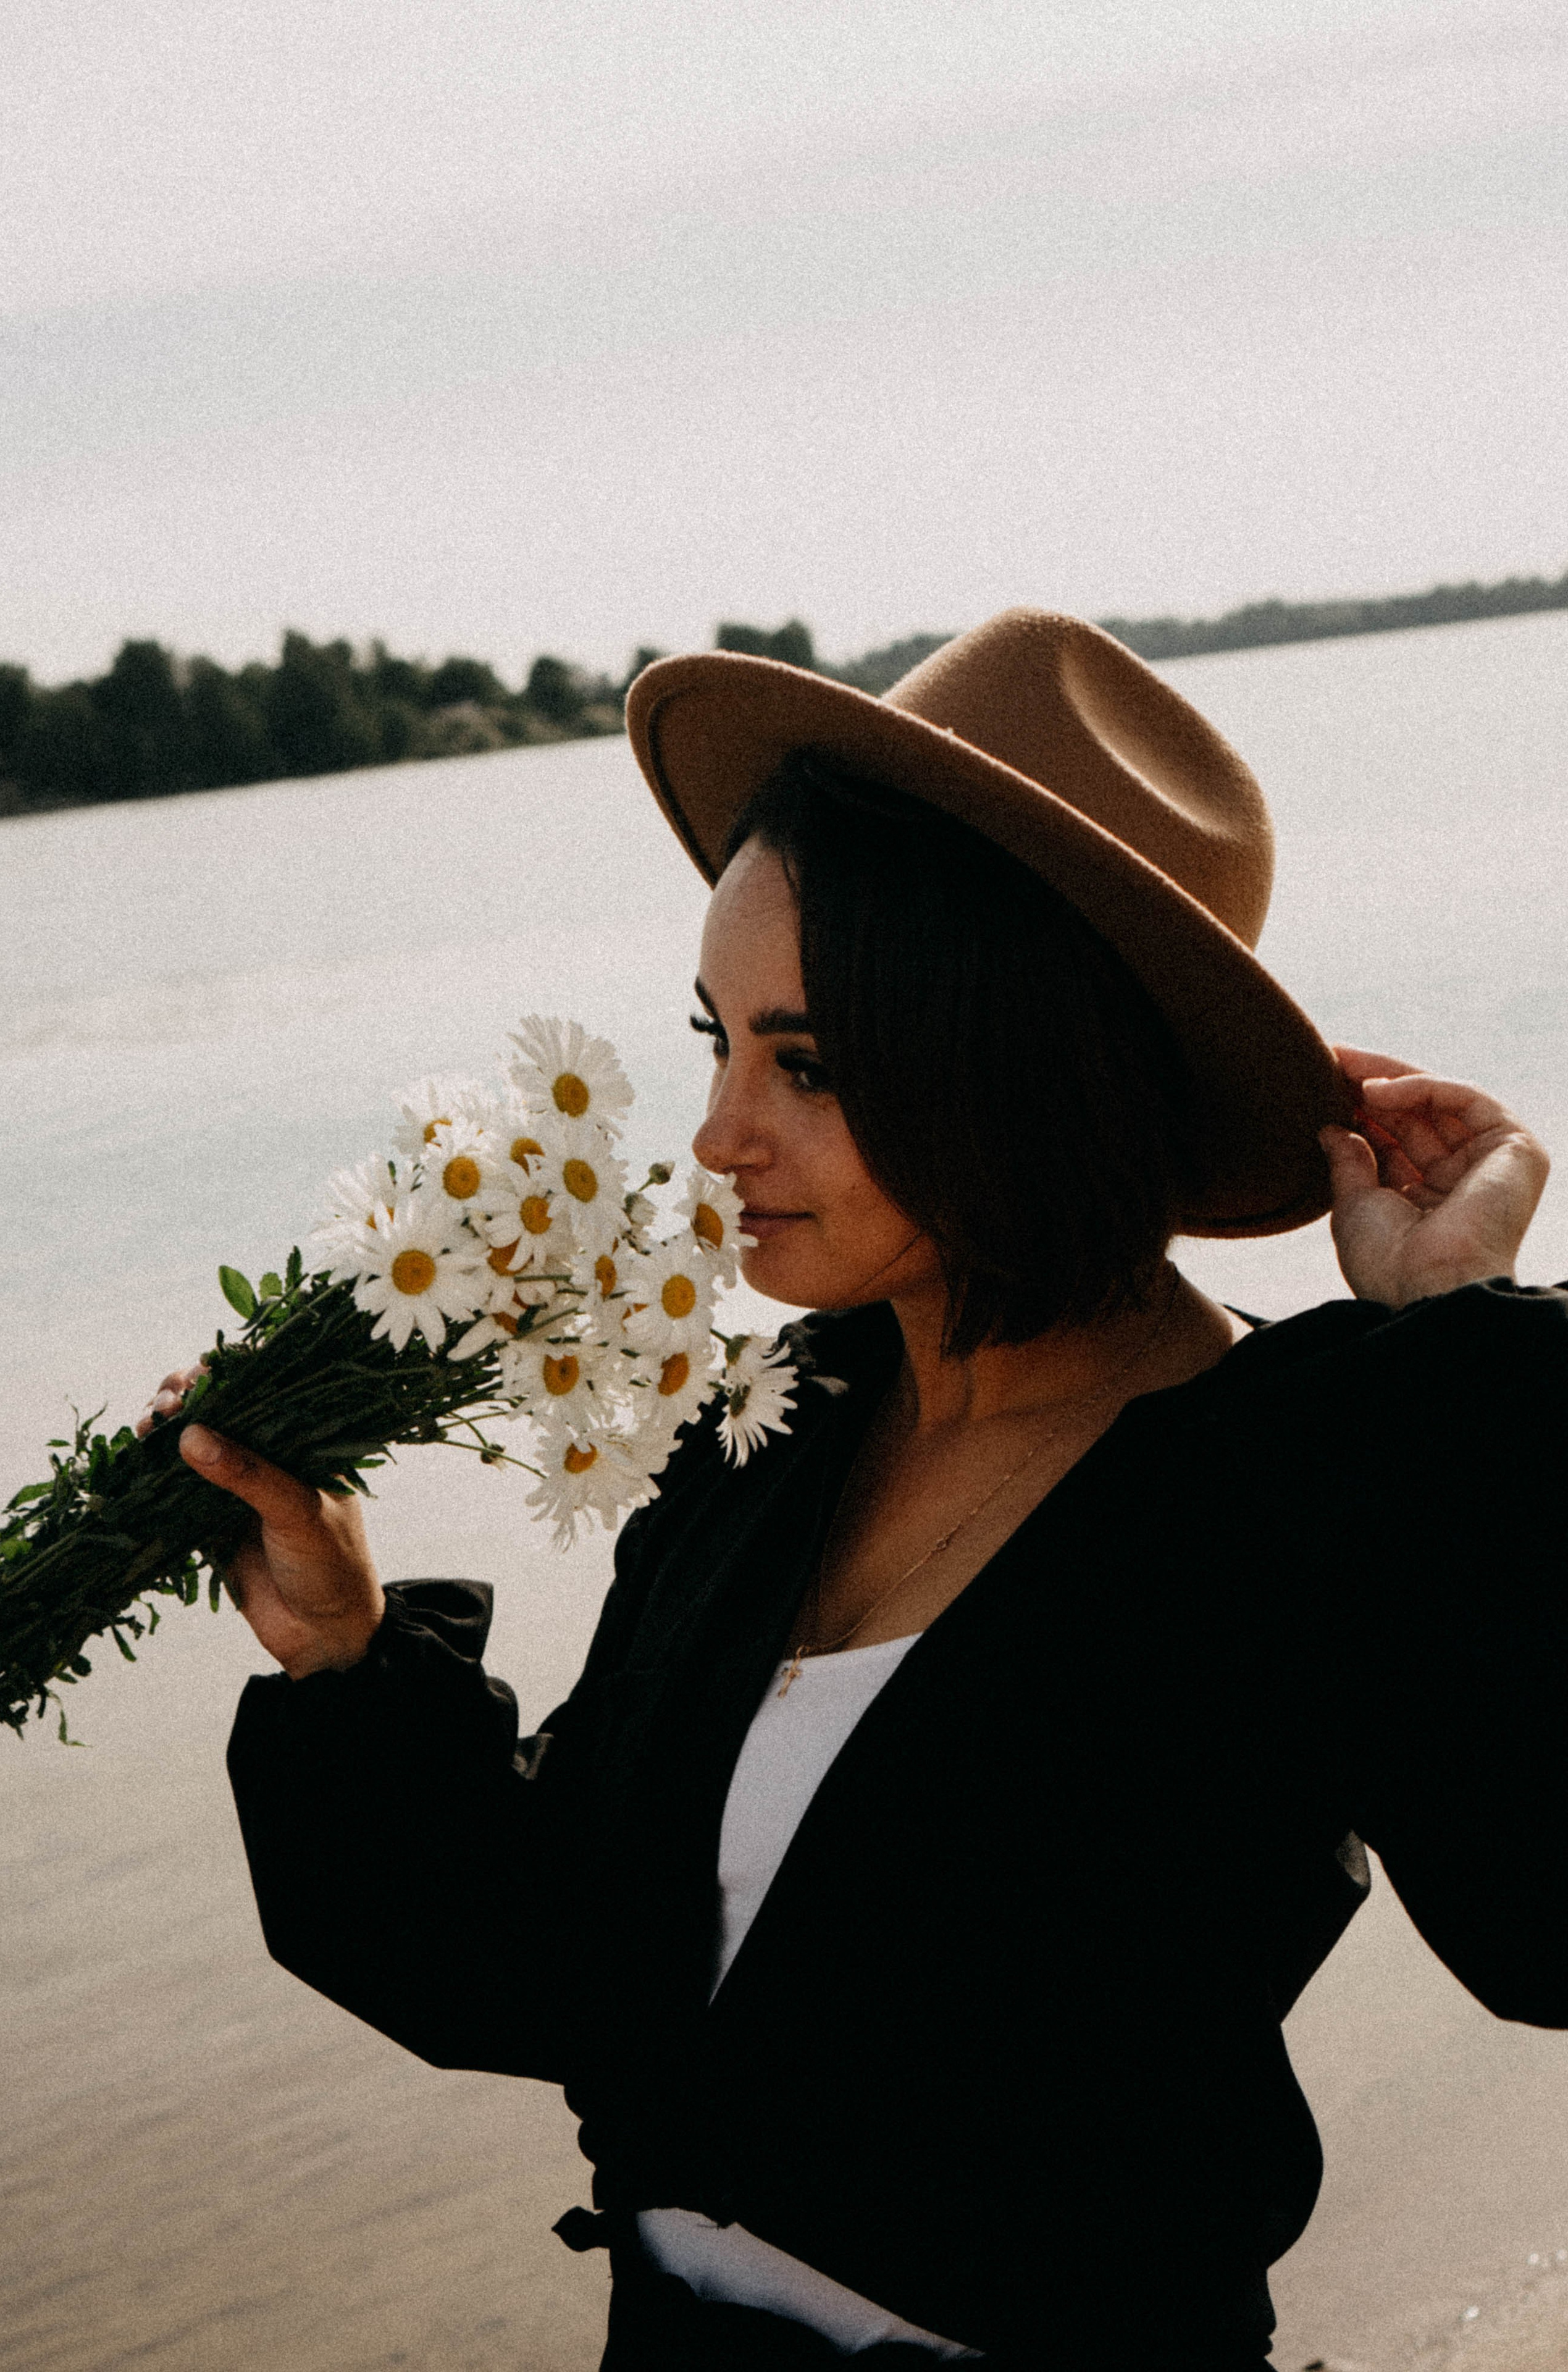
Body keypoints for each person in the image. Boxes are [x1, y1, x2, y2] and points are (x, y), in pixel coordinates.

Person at [143, 613, 1563, 2371]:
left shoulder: (1292, 1473)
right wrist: (348, 1661)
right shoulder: (773, 1426)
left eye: (803, 1064)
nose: (719, 1133)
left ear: (1014, 1058)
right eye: (717, 1040)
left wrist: (1462, 1350)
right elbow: (559, 1968)